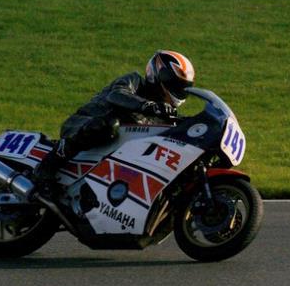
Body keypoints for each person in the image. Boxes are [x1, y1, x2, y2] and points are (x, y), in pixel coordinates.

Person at [33, 50, 196, 198]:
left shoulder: (163, 114)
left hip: (110, 154)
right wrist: (148, 106)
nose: (179, 90)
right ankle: (46, 169)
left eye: (183, 87)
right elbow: (117, 95)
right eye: (174, 84)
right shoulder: (134, 81)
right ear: (158, 75)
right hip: (83, 123)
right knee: (108, 124)